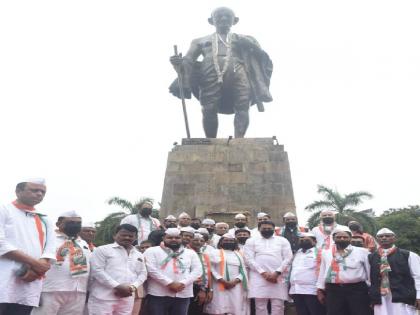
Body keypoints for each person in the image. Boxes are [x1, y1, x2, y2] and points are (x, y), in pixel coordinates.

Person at [169, 6, 273, 138]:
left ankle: (239, 141)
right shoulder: (200, 41)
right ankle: (210, 141)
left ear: (234, 21)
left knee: (243, 104)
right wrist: (178, 62)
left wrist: (250, 45)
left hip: (239, 73)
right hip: (209, 75)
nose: (223, 18)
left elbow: (261, 56)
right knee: (208, 108)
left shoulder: (242, 39)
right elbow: (188, 60)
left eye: (227, 16)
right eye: (219, 16)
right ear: (211, 20)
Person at [0, 178, 56, 315]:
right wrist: (34, 263)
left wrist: (38, 269)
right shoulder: (4, 210)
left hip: (30, 279)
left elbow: (50, 248)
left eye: (42, 192)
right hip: (4, 276)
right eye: (34, 190)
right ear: (18, 191)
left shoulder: (44, 218)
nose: (39, 194)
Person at [32, 210, 90, 315]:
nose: (75, 225)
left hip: (78, 291)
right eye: (71, 223)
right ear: (58, 224)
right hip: (49, 289)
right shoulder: (47, 238)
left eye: (78, 223)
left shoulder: (83, 243)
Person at [88, 224, 147, 315]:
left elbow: (143, 273)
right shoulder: (102, 250)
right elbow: (97, 271)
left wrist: (133, 287)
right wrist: (117, 286)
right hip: (103, 298)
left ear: (135, 238)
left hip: (127, 298)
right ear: (114, 235)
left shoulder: (138, 254)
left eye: (131, 236)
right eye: (123, 235)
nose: (127, 237)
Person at [143, 228, 202, 315]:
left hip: (183, 293)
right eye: (170, 237)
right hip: (158, 293)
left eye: (177, 238)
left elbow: (198, 270)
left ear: (181, 238)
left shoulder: (190, 253)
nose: (173, 240)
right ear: (163, 238)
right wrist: (169, 283)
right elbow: (150, 269)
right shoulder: (152, 251)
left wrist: (183, 283)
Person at [316, 226, 371, 315]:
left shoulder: (363, 252)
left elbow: (369, 271)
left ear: (350, 238)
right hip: (334, 291)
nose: (342, 239)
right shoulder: (326, 253)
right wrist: (320, 290)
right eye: (338, 237)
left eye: (345, 237)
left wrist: (371, 290)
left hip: (357, 290)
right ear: (333, 238)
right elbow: (322, 271)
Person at [244, 221, 293, 315]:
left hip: (279, 277)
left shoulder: (282, 240)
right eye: (264, 229)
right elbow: (248, 259)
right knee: (260, 306)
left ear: (274, 229)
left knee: (278, 305)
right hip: (258, 276)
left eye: (269, 229)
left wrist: (277, 272)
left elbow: (288, 258)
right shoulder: (251, 241)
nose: (267, 230)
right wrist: (263, 273)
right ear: (259, 229)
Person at [369, 228, 420, 315]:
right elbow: (369, 278)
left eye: (387, 236)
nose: (384, 238)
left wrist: (418, 296)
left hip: (402, 294)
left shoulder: (408, 255)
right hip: (380, 296)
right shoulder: (371, 257)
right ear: (377, 239)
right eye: (381, 236)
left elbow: (417, 276)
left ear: (394, 238)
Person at [204, 233, 248, 315]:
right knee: (219, 307)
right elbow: (211, 268)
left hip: (236, 285)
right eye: (226, 240)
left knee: (235, 307)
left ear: (235, 243)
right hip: (218, 284)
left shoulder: (239, 254)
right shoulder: (214, 252)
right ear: (221, 242)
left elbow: (243, 270)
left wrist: (235, 281)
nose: (229, 242)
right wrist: (221, 280)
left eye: (231, 241)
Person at [288, 232, 325, 315]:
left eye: (307, 240)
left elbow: (323, 271)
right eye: (301, 240)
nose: (304, 241)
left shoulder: (320, 253)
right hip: (296, 290)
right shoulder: (297, 253)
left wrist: (321, 289)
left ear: (315, 242)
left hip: (312, 291)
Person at [188, 233, 213, 315]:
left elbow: (208, 274)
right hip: (190, 288)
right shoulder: (186, 253)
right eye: (195, 240)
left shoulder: (205, 255)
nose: (198, 242)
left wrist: (209, 290)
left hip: (203, 288)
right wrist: (199, 289)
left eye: (201, 241)